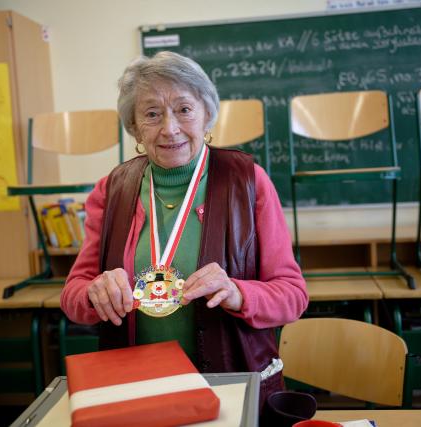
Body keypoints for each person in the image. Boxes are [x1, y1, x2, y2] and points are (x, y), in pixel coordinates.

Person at [60, 51, 308, 408]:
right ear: (135, 127)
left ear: (206, 114)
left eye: (184, 109)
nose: (169, 128)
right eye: (151, 114)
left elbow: (293, 296)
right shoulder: (111, 189)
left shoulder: (248, 181)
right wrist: (93, 294)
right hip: (137, 389)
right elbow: (74, 295)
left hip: (231, 386)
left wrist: (237, 293)